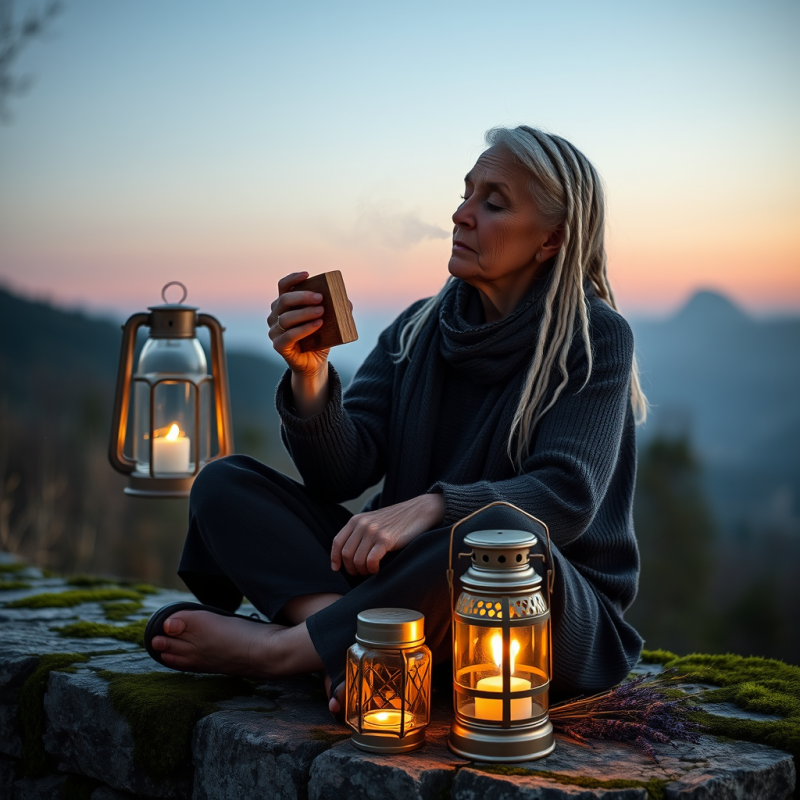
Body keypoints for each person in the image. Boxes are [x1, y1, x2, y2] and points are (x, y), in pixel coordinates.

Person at [147, 125, 647, 715]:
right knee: (224, 482)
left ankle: (280, 651)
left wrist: (432, 508)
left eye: (493, 203)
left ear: (552, 238)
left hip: (535, 611)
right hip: (403, 587)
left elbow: (564, 497)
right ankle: (358, 649)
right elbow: (342, 474)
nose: (461, 215)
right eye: (465, 194)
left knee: (490, 538)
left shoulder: (595, 337)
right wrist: (311, 376)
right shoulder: (418, 327)